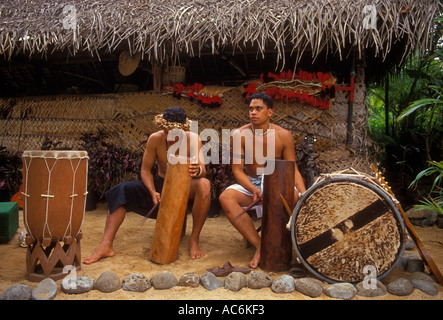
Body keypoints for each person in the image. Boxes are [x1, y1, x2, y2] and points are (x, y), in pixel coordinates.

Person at [84, 106, 211, 264]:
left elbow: (203, 170)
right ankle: (106, 245)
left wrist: (197, 170)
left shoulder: (193, 139)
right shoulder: (155, 139)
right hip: (160, 185)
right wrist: (152, 192)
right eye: (166, 132)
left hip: (184, 186)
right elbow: (145, 170)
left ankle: (194, 240)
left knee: (204, 185)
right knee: (120, 190)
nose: (170, 137)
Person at [219, 93, 306, 268]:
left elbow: (292, 168)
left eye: (259, 109)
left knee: (297, 199)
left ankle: (282, 245)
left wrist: (304, 194)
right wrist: (253, 189)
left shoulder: (284, 135)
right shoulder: (240, 135)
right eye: (251, 109)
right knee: (225, 198)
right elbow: (237, 170)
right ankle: (260, 245)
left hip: (279, 182)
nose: (253, 112)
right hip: (253, 182)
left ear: (270, 112)